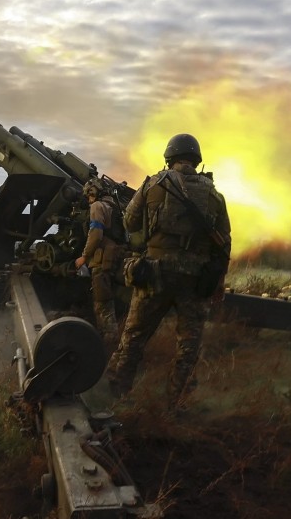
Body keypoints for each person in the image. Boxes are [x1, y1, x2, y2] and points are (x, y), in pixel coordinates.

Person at [106, 133, 231, 411]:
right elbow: (224, 244)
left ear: (169, 158)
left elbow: (129, 220)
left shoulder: (153, 184)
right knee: (188, 349)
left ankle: (116, 396)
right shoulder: (214, 195)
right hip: (194, 281)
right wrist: (217, 281)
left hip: (154, 275)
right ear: (197, 160)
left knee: (134, 338)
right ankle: (176, 404)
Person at [74, 176, 123, 349]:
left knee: (103, 304)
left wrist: (84, 257)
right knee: (109, 300)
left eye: (89, 195)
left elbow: (95, 234)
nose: (88, 199)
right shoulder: (114, 207)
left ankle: (109, 346)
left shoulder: (97, 206)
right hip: (114, 257)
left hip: (102, 260)